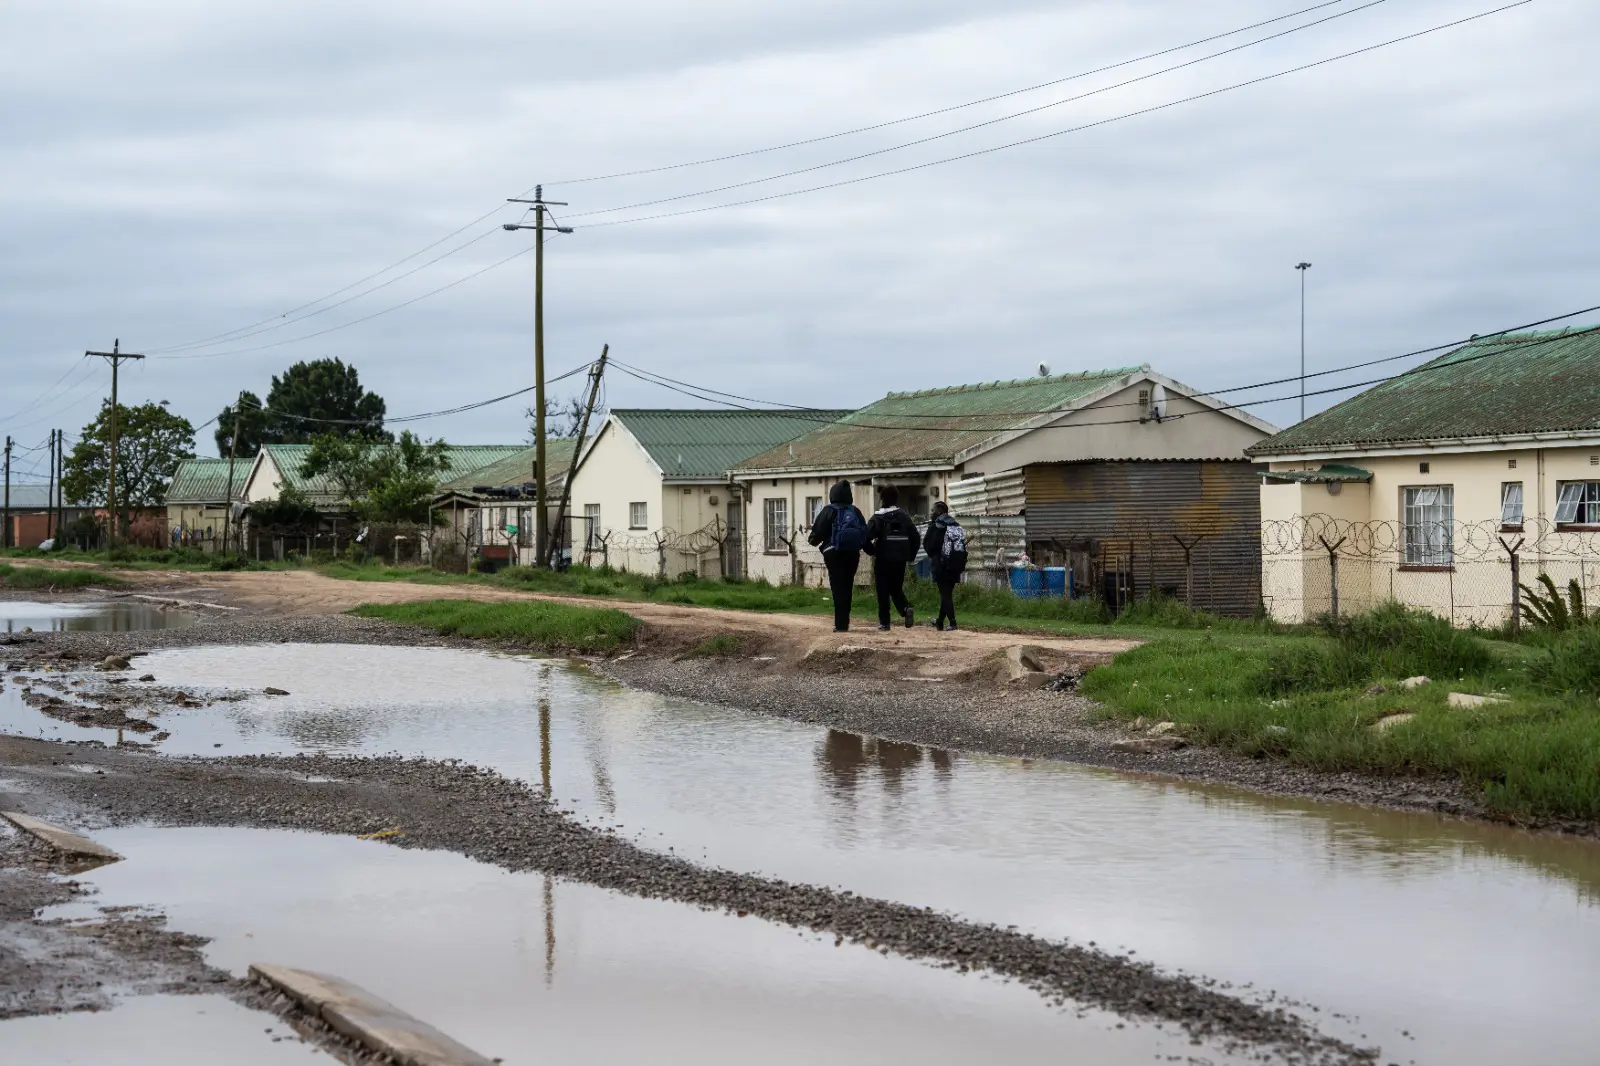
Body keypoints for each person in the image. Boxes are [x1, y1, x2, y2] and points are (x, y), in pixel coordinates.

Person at [807, 480, 868, 632]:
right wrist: (870, 549)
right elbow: (864, 534)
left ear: (832, 494)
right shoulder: (855, 512)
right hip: (852, 553)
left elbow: (816, 535)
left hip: (832, 553)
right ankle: (845, 621)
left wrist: (813, 540)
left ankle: (840, 624)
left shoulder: (828, 510)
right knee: (847, 585)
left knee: (837, 586)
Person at [863, 486, 917, 631]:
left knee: (882, 590)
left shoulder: (878, 517)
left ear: (882, 499)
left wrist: (872, 551)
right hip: (900, 558)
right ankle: (905, 609)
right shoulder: (904, 516)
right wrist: (910, 555)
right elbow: (915, 537)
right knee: (896, 588)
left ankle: (885, 623)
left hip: (883, 558)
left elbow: (865, 537)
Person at [922, 500, 968, 631]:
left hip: (941, 565)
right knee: (946, 593)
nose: (931, 514)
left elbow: (928, 545)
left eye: (933, 511)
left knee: (945, 594)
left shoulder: (936, 526)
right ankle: (940, 622)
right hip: (956, 563)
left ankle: (953, 622)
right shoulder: (955, 525)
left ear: (940, 512)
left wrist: (934, 556)